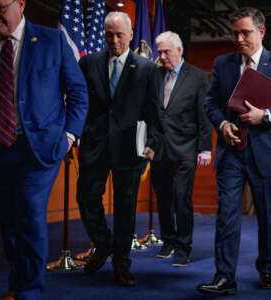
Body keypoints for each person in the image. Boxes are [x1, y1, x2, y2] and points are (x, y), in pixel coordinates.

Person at [197, 7, 271, 295]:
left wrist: (266, 116)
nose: (239, 38)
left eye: (245, 32)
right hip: (231, 151)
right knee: (227, 216)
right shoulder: (223, 64)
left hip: (266, 151)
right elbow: (210, 103)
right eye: (235, 33)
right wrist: (221, 125)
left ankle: (267, 269)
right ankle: (224, 277)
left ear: (261, 32)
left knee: (268, 216)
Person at [0, 0, 88, 299]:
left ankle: (30, 291)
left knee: (31, 211)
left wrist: (70, 135)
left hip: (41, 149)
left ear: (20, 4)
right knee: (7, 219)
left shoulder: (53, 40)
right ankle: (18, 280)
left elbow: (77, 91)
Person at [76, 11, 161, 287]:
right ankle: (103, 243)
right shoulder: (88, 63)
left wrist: (151, 144)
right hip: (95, 145)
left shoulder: (147, 68)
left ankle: (122, 264)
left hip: (129, 150)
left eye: (119, 35)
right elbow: (79, 103)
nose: (114, 40)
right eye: (109, 34)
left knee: (125, 209)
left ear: (131, 35)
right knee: (86, 199)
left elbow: (155, 113)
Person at [151, 31, 213, 267]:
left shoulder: (197, 77)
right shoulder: (155, 75)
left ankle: (183, 247)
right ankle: (168, 241)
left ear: (179, 50)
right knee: (164, 198)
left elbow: (203, 116)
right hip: (159, 149)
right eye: (159, 53)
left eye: (166, 52)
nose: (162, 57)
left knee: (181, 197)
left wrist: (205, 148)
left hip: (186, 149)